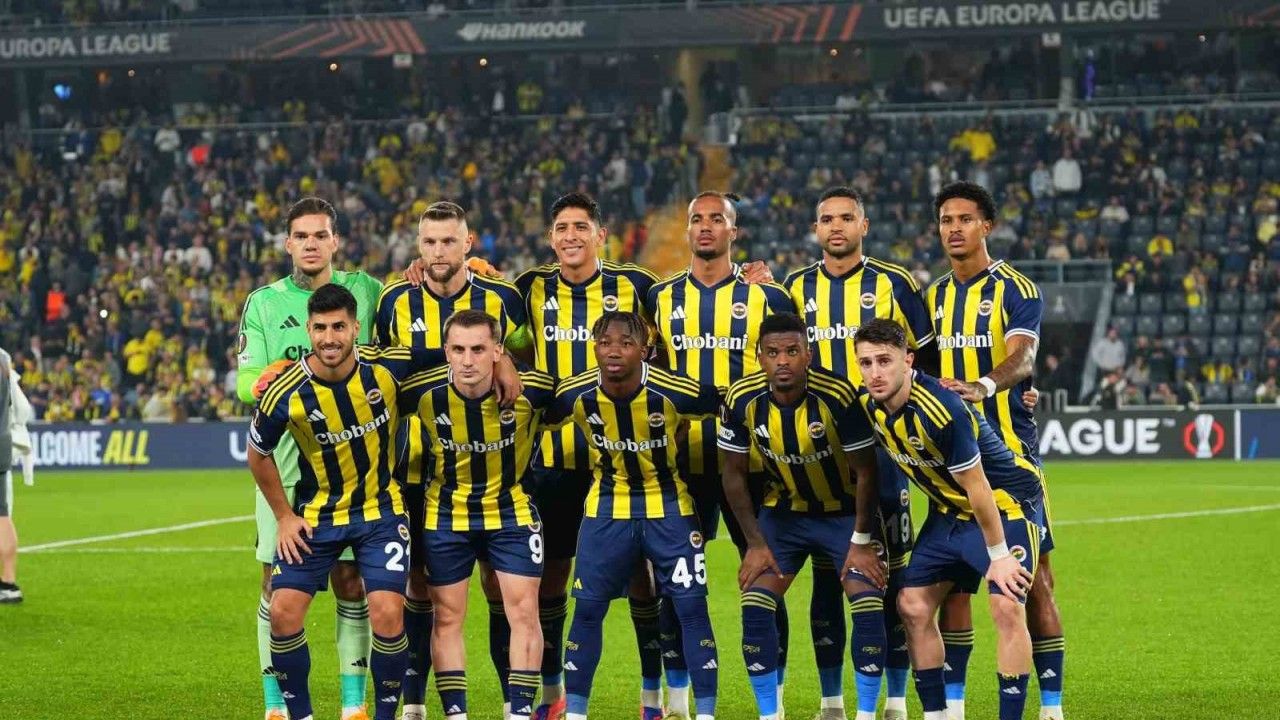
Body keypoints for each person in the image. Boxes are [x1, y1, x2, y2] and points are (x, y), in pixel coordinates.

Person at [247, 285, 446, 720]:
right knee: (282, 612)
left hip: (381, 511)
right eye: (320, 328)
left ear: (356, 328)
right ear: (308, 330)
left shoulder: (386, 368)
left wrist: (504, 361)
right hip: (316, 516)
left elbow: (448, 354)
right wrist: (284, 517)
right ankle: (300, 715)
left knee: (388, 612)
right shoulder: (287, 390)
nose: (329, 338)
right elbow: (258, 453)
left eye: (339, 327)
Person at [783, 186, 936, 719]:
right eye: (827, 219)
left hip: (886, 452)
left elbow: (927, 359)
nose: (836, 226)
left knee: (890, 575)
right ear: (815, 228)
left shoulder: (896, 282)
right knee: (828, 578)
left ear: (863, 226)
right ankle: (831, 701)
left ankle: (894, 699)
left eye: (846, 218)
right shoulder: (793, 287)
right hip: (819, 454)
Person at [513, 192, 664, 720]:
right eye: (561, 227)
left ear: (601, 234)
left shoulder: (637, 286)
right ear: (550, 237)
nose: (571, 236)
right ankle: (552, 695)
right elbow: (491, 323)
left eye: (581, 226)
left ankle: (652, 697)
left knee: (642, 576)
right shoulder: (528, 287)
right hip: (553, 460)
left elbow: (674, 337)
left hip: (623, 458)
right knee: (552, 576)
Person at [376, 201, 528, 720]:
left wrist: (507, 360)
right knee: (420, 588)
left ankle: (512, 700)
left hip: (490, 468)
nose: (438, 251)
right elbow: (382, 371)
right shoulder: (394, 299)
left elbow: (529, 353)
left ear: (468, 243)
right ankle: (417, 704)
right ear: (418, 246)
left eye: (448, 241)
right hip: (415, 469)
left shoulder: (502, 296)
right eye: (429, 242)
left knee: (497, 586)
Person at [646, 191, 793, 719]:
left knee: (766, 580)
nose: (705, 226)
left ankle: (773, 702)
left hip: (752, 463)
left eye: (717, 219)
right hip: (680, 463)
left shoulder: (767, 296)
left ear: (735, 231)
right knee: (677, 584)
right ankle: (678, 702)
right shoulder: (659, 297)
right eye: (696, 219)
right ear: (687, 230)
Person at [237, 197, 385, 720]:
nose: (311, 244)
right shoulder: (262, 303)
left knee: (352, 581)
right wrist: (269, 375)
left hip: (350, 462)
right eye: (301, 236)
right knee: (273, 583)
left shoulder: (367, 291)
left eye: (320, 235)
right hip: (284, 462)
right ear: (287, 244)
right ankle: (276, 705)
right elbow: (243, 383)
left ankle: (353, 704)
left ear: (335, 241)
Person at [854, 318, 1045, 720]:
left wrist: (999, 556)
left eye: (884, 361)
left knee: (1007, 606)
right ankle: (937, 715)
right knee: (912, 605)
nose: (875, 373)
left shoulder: (942, 410)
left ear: (908, 360)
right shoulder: (869, 405)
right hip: (950, 510)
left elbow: (978, 487)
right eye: (866, 363)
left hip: (1005, 504)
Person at [924, 182, 1065, 720]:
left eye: (965, 218)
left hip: (1011, 457)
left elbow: (1024, 357)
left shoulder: (1016, 288)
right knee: (955, 588)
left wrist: (984, 387)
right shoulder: (933, 296)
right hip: (951, 463)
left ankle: (1051, 708)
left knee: (1036, 582)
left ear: (987, 225)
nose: (954, 228)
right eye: (946, 220)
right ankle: (954, 706)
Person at [543, 311, 722, 720]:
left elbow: (728, 404)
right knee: (588, 610)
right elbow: (534, 411)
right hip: (607, 507)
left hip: (670, 506)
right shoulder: (574, 394)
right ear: (594, 347)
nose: (614, 351)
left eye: (625, 343)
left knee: (691, 609)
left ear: (644, 350)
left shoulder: (673, 391)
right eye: (605, 343)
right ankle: (575, 713)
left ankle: (705, 713)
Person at [717, 313, 883, 720]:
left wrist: (862, 542)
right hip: (784, 515)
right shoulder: (741, 398)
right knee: (755, 602)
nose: (783, 361)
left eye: (792, 351)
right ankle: (769, 714)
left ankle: (864, 714)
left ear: (808, 354)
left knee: (867, 602)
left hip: (844, 515)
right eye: (773, 353)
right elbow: (732, 473)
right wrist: (755, 544)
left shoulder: (837, 395)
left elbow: (867, 471)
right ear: (760, 357)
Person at [399, 310, 552, 720]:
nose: (468, 361)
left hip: (511, 513)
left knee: (524, 612)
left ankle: (519, 713)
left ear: (498, 351)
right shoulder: (422, 392)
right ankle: (456, 715)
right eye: (459, 350)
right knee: (447, 617)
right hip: (446, 515)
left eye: (479, 349)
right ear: (446, 351)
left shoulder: (535, 390)